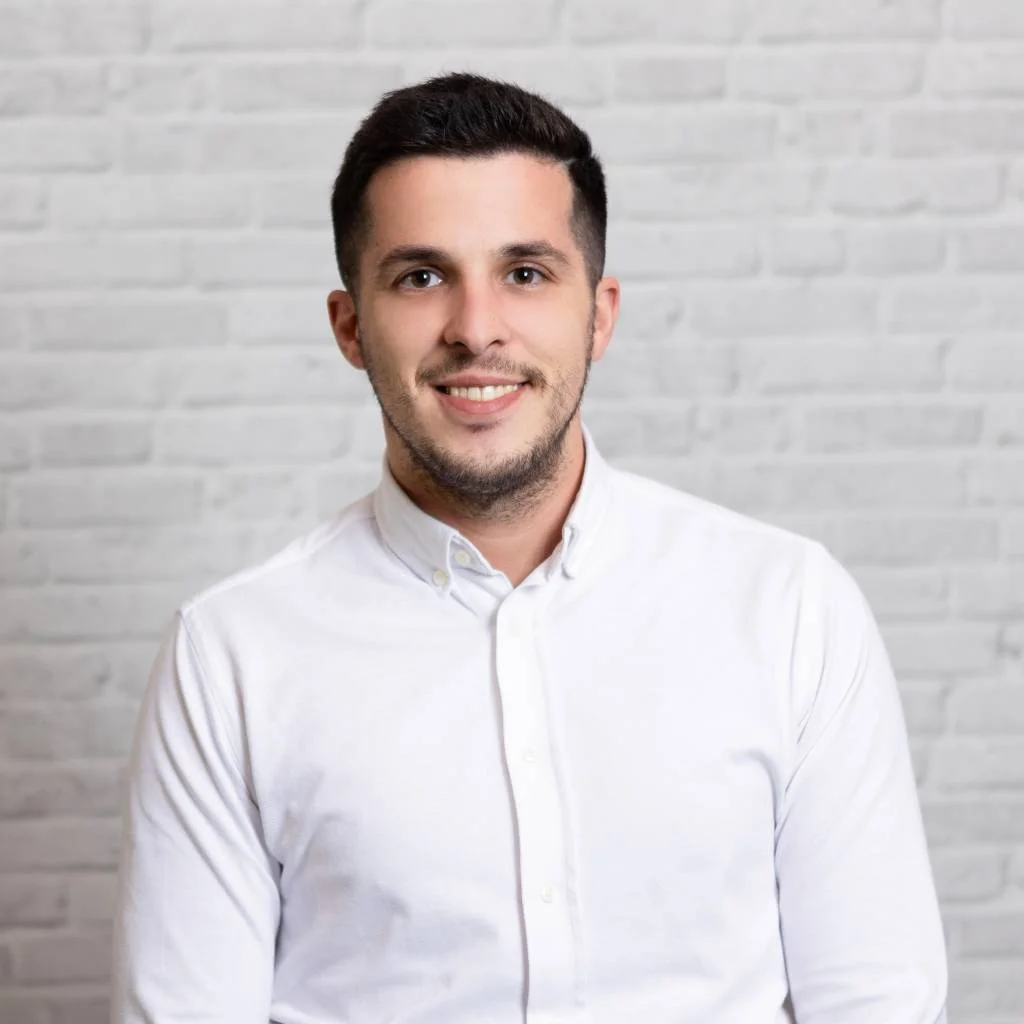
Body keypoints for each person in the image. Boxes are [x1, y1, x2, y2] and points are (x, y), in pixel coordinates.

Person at [110, 73, 948, 1023]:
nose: (476, 330)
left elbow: (877, 1002)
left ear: (600, 313)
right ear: (350, 327)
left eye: (525, 273)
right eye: (421, 277)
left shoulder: (789, 610)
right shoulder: (230, 656)